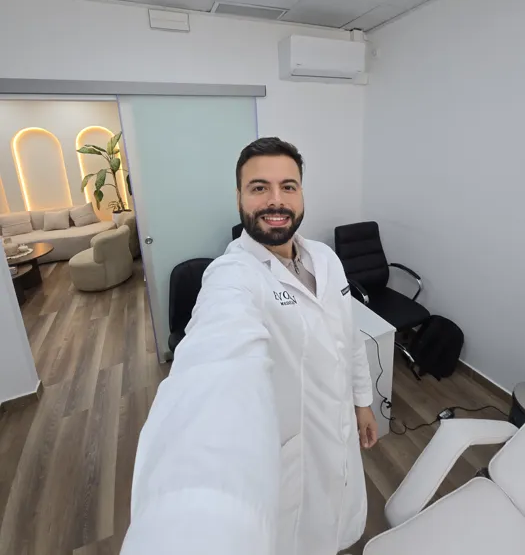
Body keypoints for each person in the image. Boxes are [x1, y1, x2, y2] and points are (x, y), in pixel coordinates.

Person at [121, 137, 377, 555]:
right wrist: (190, 515)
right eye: (259, 187)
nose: (276, 200)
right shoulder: (232, 275)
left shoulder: (326, 259)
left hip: (340, 433)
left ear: (301, 194)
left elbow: (348, 339)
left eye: (288, 186)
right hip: (295, 457)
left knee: (338, 526)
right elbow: (215, 363)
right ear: (239, 197)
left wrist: (362, 402)